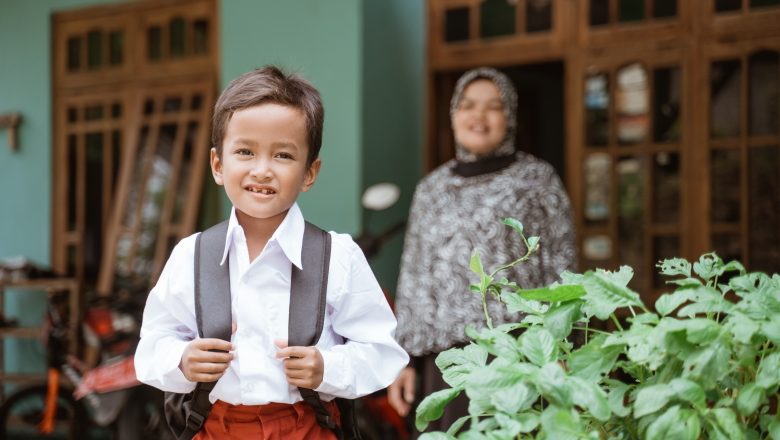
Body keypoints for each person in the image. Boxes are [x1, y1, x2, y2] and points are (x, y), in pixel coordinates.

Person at [135, 66, 408, 439]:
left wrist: (327, 367)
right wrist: (182, 360)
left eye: (283, 155)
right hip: (214, 428)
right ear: (218, 164)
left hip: (308, 428)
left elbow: (382, 352)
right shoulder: (191, 255)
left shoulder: (338, 257)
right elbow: (151, 348)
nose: (262, 170)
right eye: (245, 151)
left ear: (309, 173)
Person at [387, 67, 576, 433]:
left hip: (516, 353)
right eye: (468, 105)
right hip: (444, 363)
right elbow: (414, 277)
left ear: (510, 116)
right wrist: (404, 360)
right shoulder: (432, 189)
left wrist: (562, 348)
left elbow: (562, 266)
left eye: (493, 106)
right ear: (454, 115)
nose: (479, 116)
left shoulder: (536, 179)